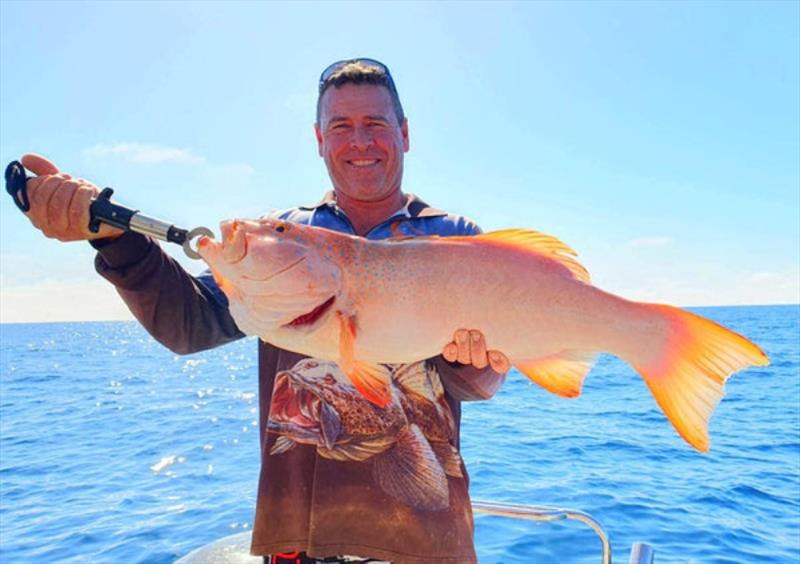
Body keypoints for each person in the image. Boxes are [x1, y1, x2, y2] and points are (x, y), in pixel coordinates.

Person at [20, 58, 510, 564]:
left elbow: (482, 384)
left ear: (404, 134)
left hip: (425, 539)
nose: (359, 141)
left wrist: (473, 363)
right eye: (341, 126)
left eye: (376, 124)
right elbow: (191, 323)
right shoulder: (277, 237)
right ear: (319, 140)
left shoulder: (458, 240)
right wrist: (116, 240)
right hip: (300, 540)